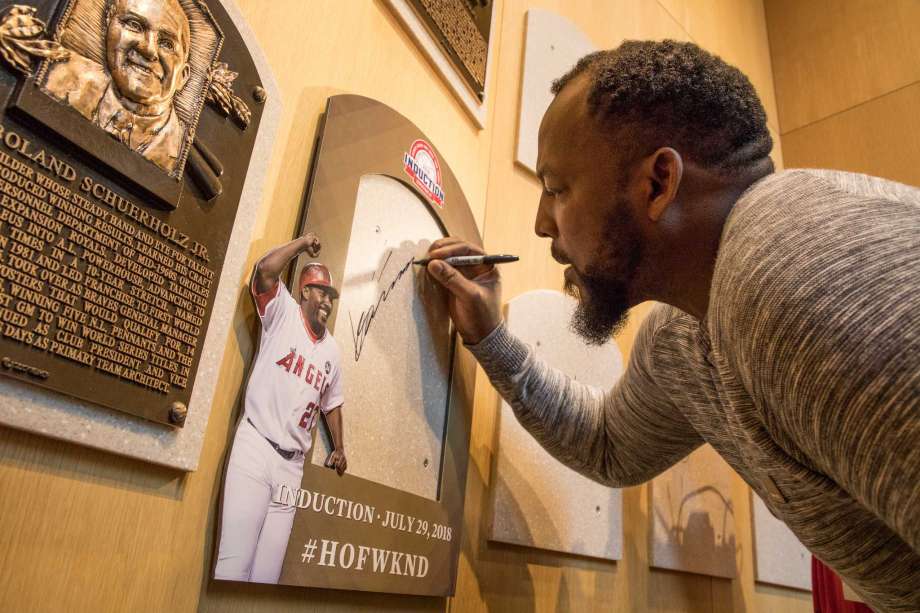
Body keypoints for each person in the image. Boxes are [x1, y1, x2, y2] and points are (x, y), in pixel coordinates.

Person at [423, 40, 919, 612]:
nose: (541, 223)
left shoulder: (799, 267)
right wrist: (491, 339)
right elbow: (609, 444)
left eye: (557, 189)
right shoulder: (685, 331)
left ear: (658, 184)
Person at [215, 233, 347, 584]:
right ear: (304, 291)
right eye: (322, 292)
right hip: (256, 446)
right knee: (234, 565)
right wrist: (302, 244)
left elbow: (331, 403)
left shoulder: (332, 351)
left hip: (292, 466)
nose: (327, 302)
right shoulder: (283, 311)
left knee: (266, 577)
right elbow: (264, 272)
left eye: (331, 296)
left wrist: (340, 447)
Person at [44, 0, 191, 174]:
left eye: (167, 43)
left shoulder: (180, 152)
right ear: (108, 28)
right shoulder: (57, 75)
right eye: (135, 25)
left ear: (183, 76)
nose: (148, 49)